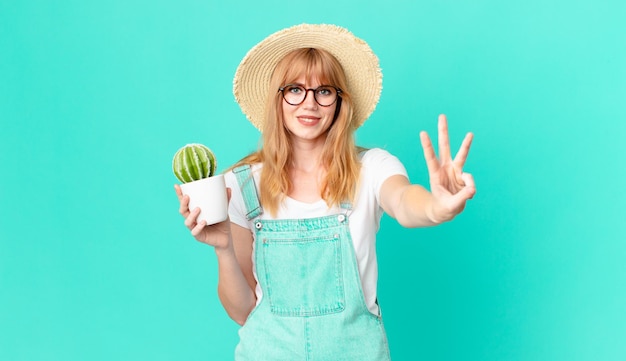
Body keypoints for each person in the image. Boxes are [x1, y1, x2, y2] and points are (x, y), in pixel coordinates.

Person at [174, 24, 475, 361]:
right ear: (278, 98)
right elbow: (242, 311)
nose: (310, 103)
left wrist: (438, 207)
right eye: (295, 89)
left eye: (324, 91)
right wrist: (224, 249)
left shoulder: (372, 168)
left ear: (339, 102)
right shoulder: (240, 185)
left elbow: (404, 202)